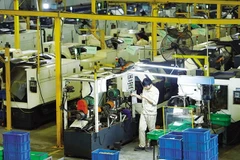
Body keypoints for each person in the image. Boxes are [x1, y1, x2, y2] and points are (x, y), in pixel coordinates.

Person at [131, 78, 160, 151]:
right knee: (141, 128)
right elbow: (142, 98)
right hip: (144, 112)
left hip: (151, 113)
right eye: (144, 87)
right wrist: (135, 95)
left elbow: (154, 102)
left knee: (151, 130)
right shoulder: (144, 88)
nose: (145, 88)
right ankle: (142, 145)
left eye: (146, 86)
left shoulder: (155, 91)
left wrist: (145, 97)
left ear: (150, 85)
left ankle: (150, 145)